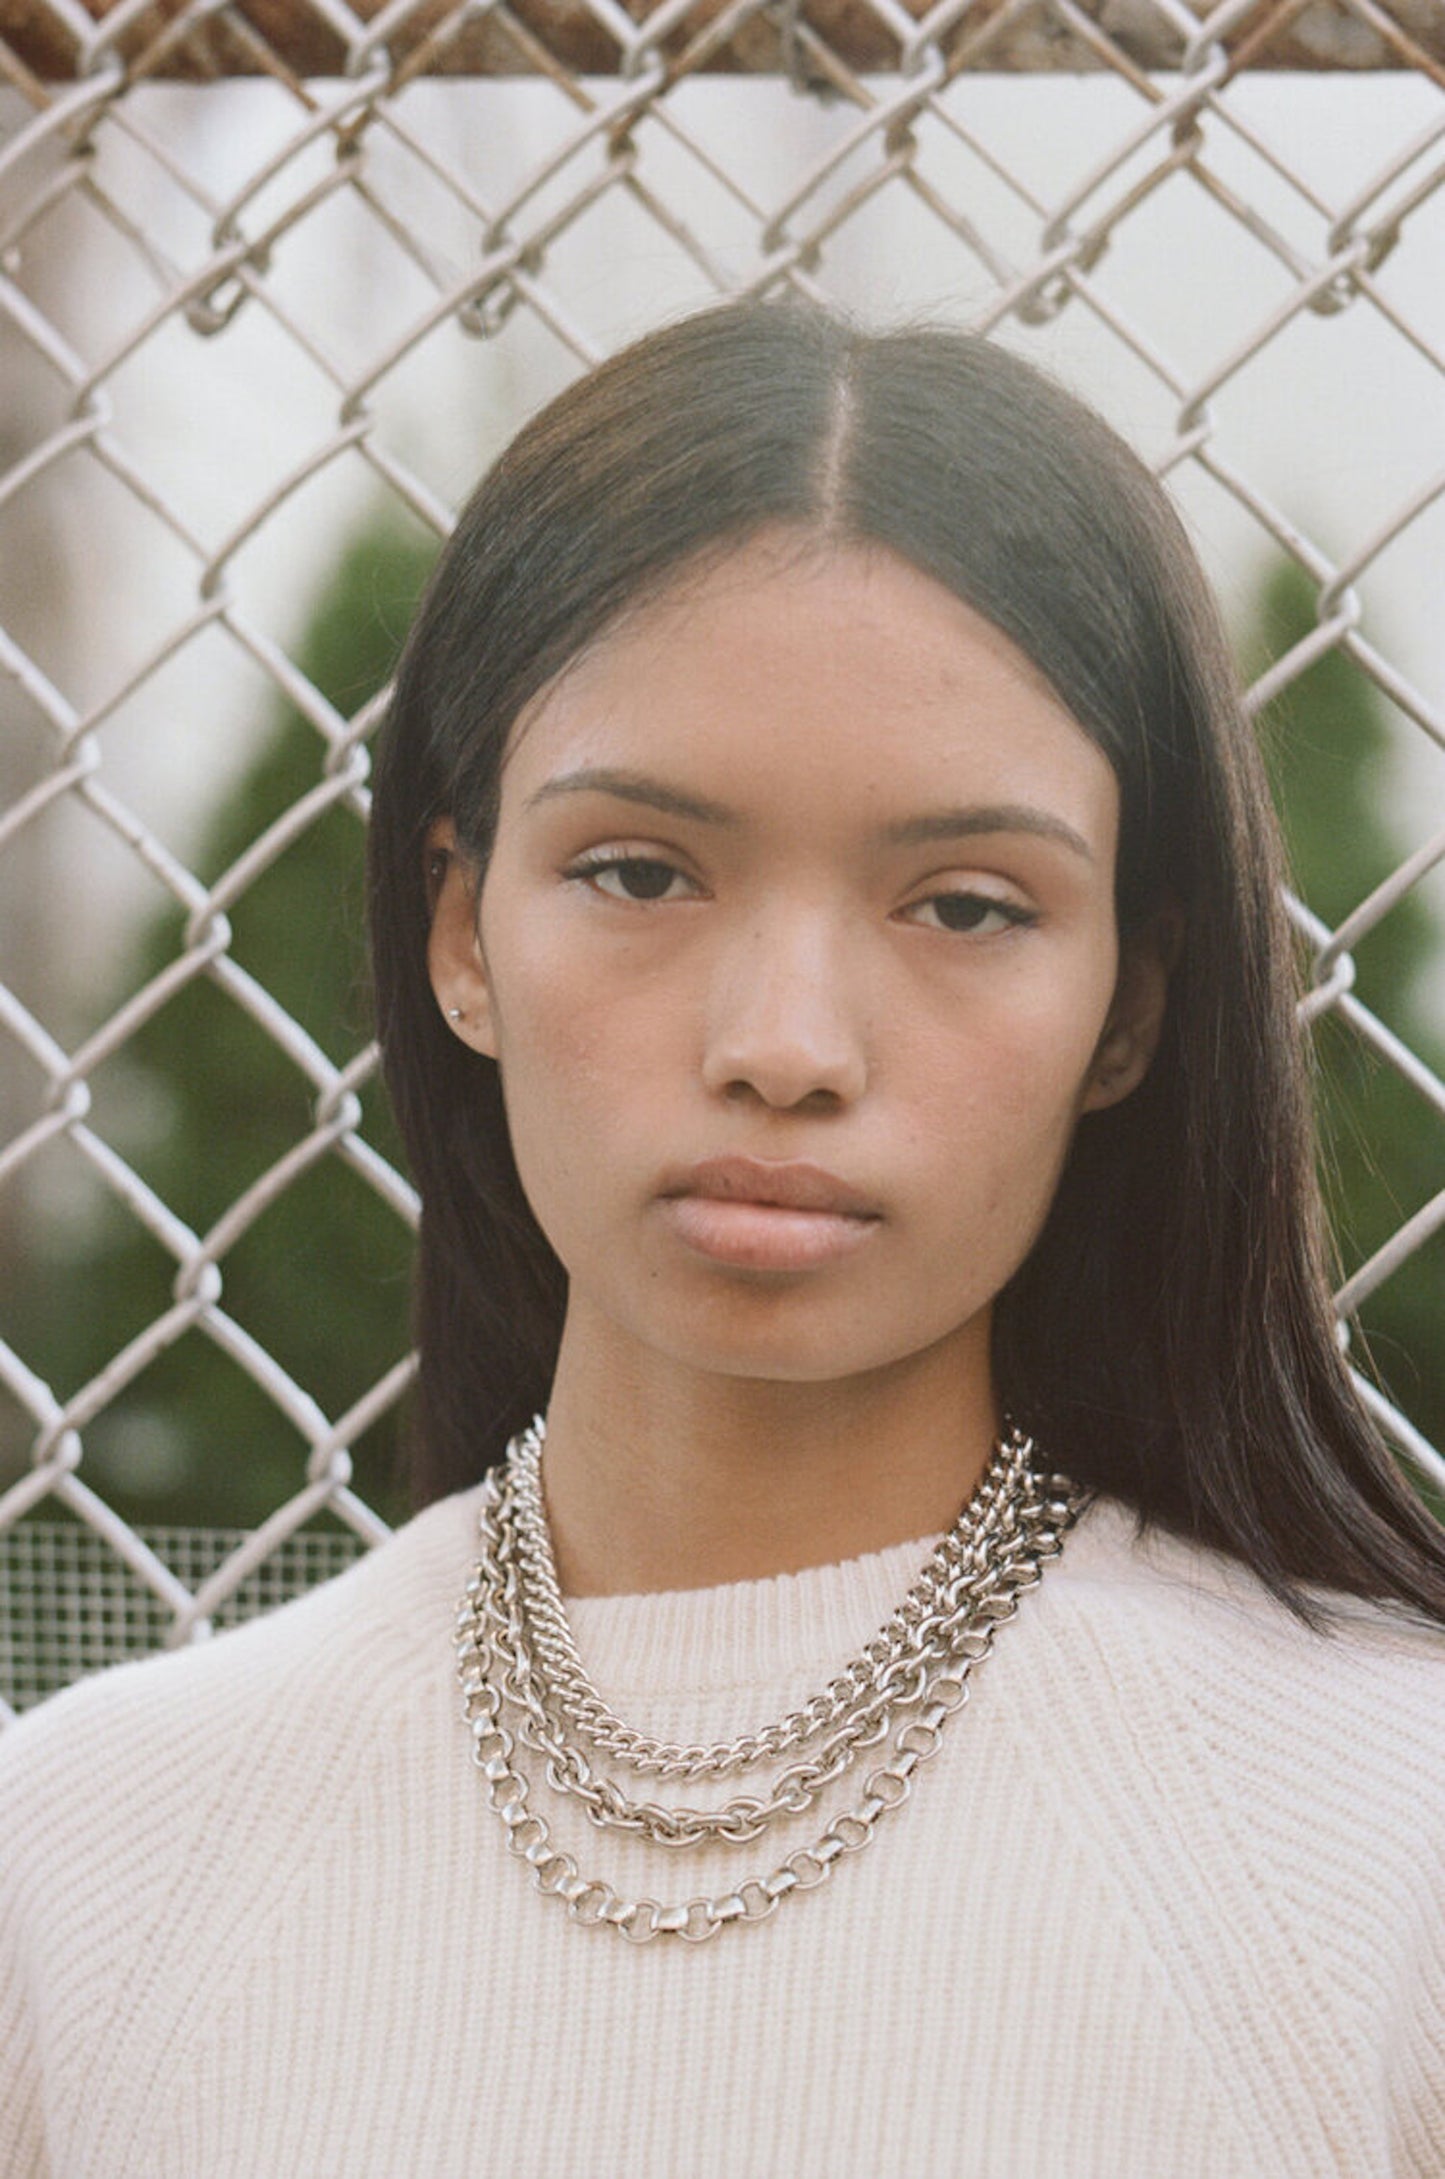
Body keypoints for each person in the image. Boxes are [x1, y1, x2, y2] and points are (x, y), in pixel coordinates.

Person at [3, 297, 1444, 2178]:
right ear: (459, 933)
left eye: (965, 906)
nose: (782, 1046)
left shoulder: (1386, 1846)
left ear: (1132, 1006)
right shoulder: (84, 1860)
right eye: (638, 873)